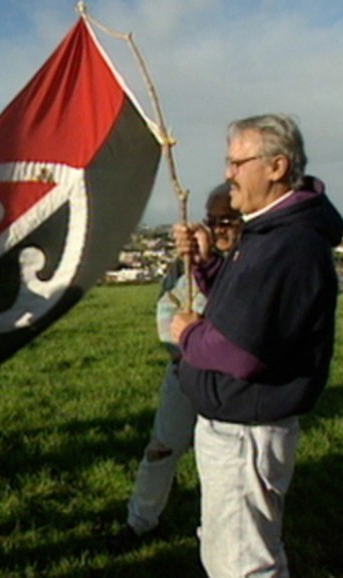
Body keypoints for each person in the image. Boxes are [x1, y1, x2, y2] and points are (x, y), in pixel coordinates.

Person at [171, 114, 343, 577]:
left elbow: (240, 352)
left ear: (277, 167)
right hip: (236, 430)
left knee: (243, 565)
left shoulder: (289, 244)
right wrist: (207, 265)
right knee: (230, 551)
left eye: (236, 162)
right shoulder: (266, 232)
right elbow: (244, 310)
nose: (227, 173)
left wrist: (187, 333)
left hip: (246, 434)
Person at [109, 184, 241, 552]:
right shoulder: (186, 264)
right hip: (185, 371)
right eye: (213, 221)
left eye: (228, 220)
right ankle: (140, 521)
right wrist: (185, 345)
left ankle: (222, 535)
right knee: (162, 448)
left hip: (230, 381)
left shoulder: (250, 262)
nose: (219, 230)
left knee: (223, 462)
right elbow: (166, 309)